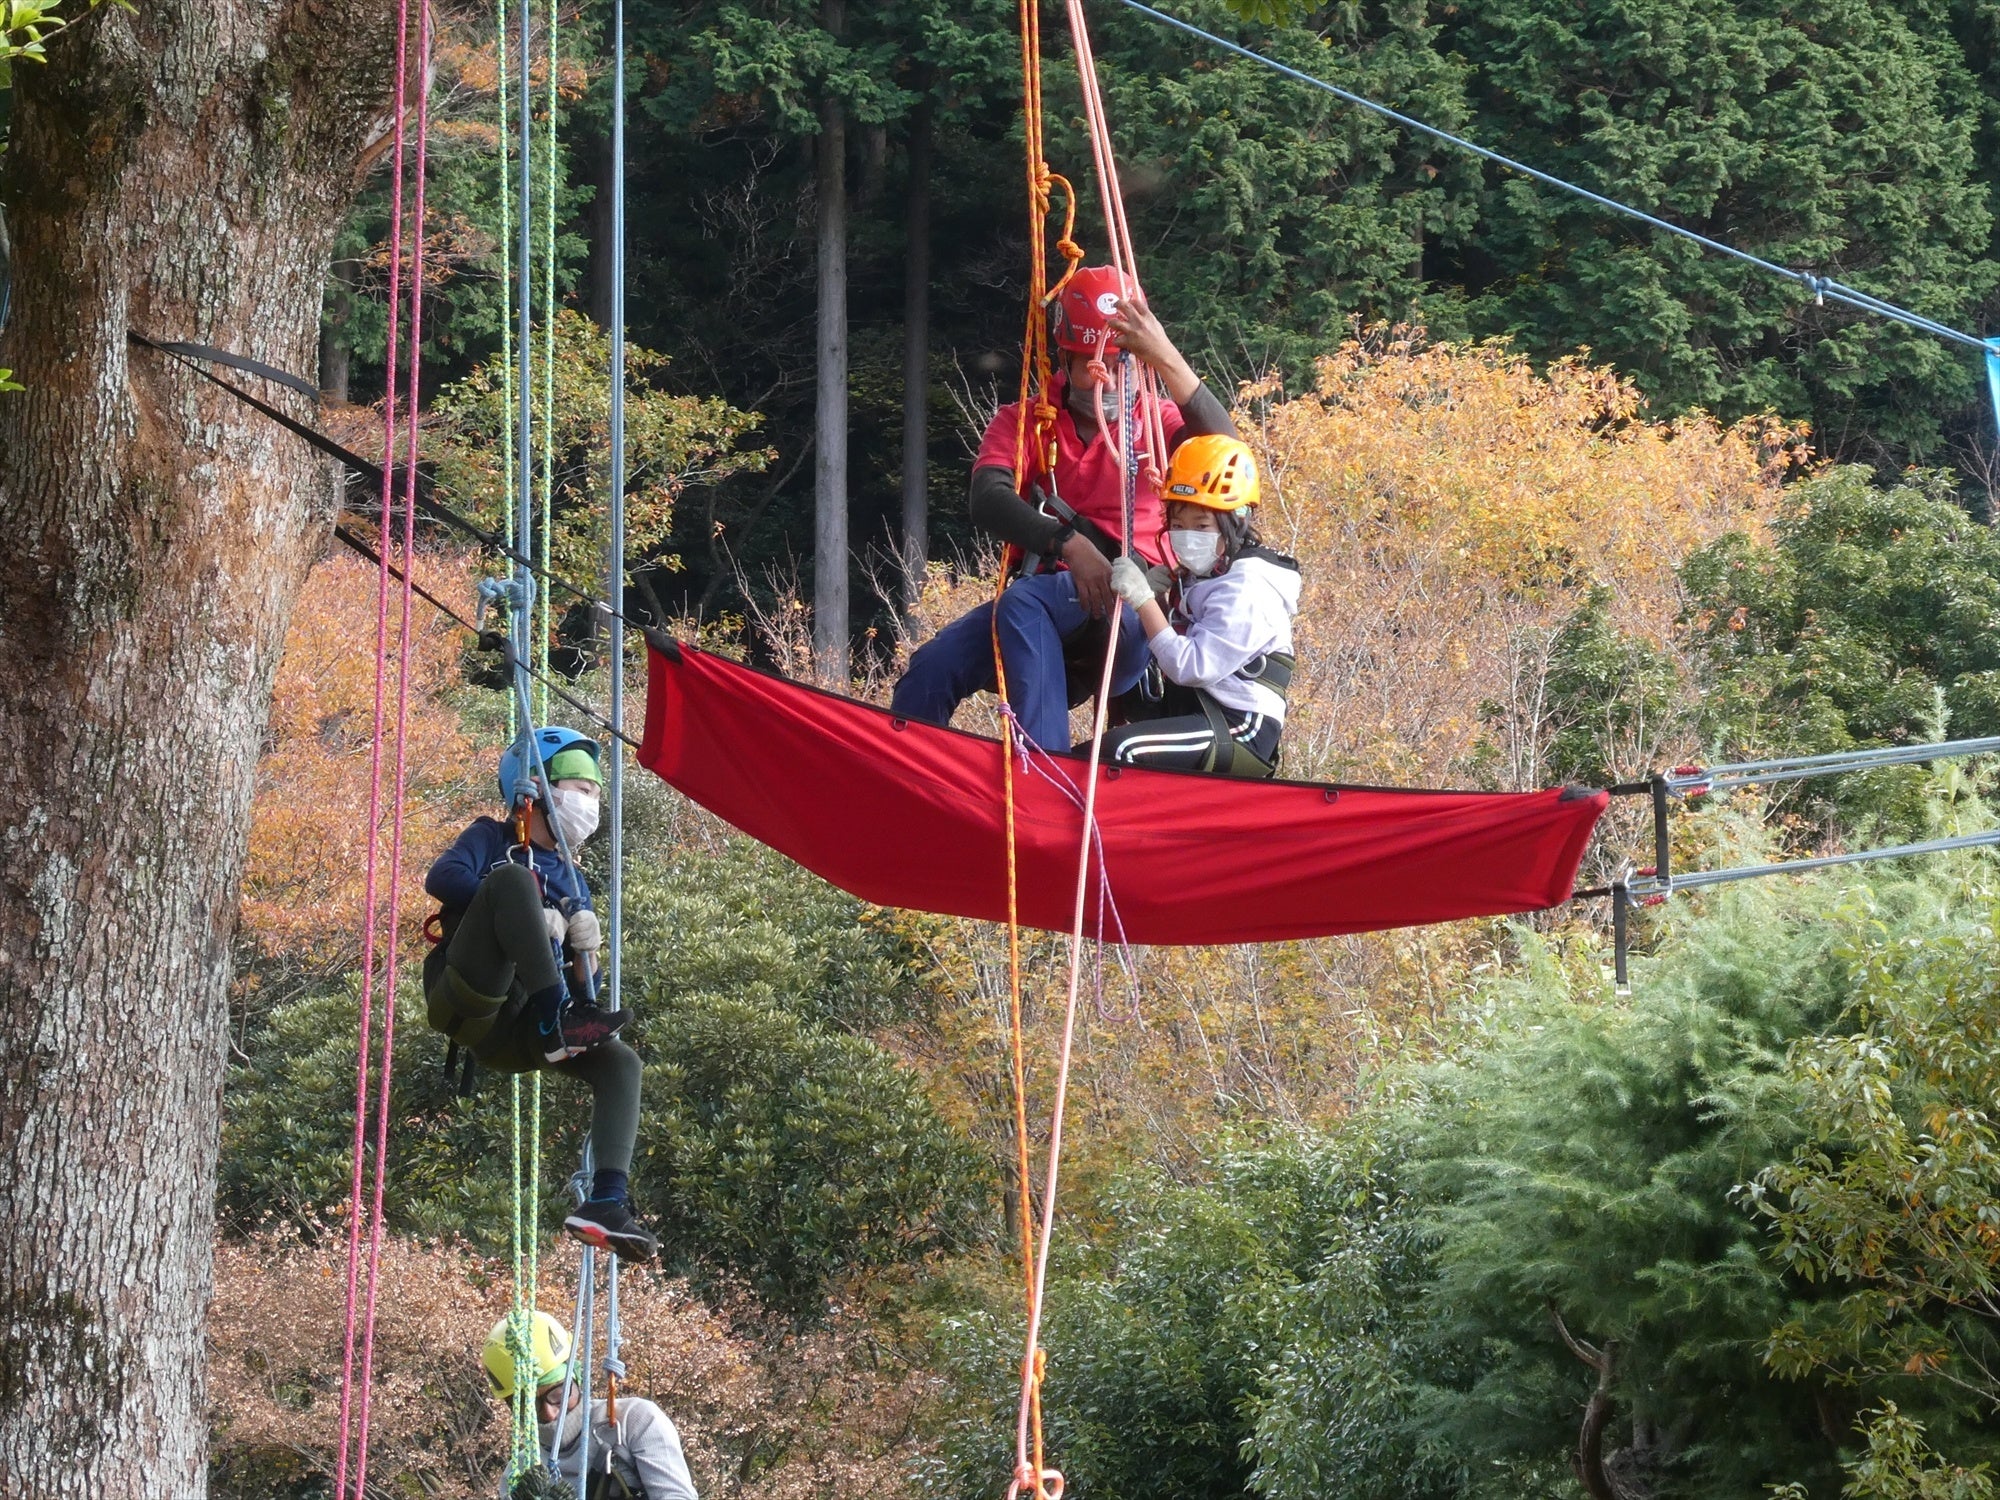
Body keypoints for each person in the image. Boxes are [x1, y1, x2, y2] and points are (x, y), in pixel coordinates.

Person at [890, 265, 1241, 751]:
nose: (1110, 379)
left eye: (1125, 363)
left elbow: (1224, 446)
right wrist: (1068, 544)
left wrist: (1163, 356)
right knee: (931, 670)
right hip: (1045, 603)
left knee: (1025, 604)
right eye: (1094, 364)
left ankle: (1044, 773)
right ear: (1065, 359)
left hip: (1131, 611)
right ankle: (917, 779)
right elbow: (988, 497)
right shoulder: (1028, 421)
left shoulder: (1161, 425)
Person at [424, 726, 658, 1261]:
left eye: (594, 792)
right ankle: (555, 1017)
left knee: (621, 1063)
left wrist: (583, 955)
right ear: (536, 789)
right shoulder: (493, 838)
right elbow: (443, 877)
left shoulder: (575, 880)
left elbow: (587, 992)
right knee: (513, 883)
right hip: (472, 997)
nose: (589, 802)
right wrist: (527, 910)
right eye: (579, 787)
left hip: (525, 1028)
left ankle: (606, 1200)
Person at [1102, 435, 1300, 776]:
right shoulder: (1204, 576)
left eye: (1202, 525)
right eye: (1177, 526)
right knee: (1105, 730)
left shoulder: (1249, 586)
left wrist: (1144, 601)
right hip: (1195, 708)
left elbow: (1191, 666)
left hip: (1239, 722)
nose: (1187, 535)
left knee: (1122, 749)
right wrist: (1160, 603)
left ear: (1235, 522)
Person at [484, 1311, 701, 1500]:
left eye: (558, 1395)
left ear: (577, 1376)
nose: (549, 1414)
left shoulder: (634, 1422)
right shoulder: (520, 1476)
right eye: (528, 1405)